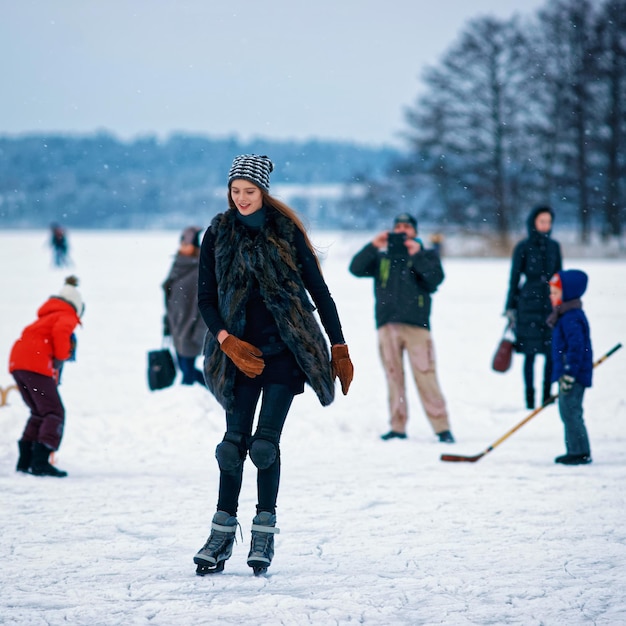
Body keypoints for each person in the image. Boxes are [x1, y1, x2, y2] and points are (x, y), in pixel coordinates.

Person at [193, 154, 353, 575]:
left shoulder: (285, 232)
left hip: (285, 351)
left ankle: (264, 531)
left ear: (263, 192)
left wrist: (339, 347)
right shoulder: (218, 234)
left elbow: (320, 292)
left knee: (263, 447)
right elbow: (205, 300)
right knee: (231, 449)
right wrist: (227, 342)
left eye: (249, 191)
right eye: (235, 191)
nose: (241, 198)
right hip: (238, 355)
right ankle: (221, 532)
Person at [349, 213, 454, 444]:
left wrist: (416, 255)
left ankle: (442, 427)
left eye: (407, 226)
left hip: (417, 326)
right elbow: (355, 269)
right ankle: (397, 427)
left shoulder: (426, 255)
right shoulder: (383, 257)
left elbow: (435, 279)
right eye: (398, 226)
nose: (403, 230)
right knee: (393, 378)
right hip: (387, 325)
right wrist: (373, 245)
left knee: (426, 376)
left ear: (415, 232)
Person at [9, 275, 84, 477]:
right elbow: (61, 334)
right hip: (35, 366)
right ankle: (41, 461)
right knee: (54, 412)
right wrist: (63, 355)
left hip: (18, 365)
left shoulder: (45, 317)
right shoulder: (66, 315)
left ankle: (25, 461)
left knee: (39, 412)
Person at [504, 206, 562, 409]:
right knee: (528, 353)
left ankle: (547, 396)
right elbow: (514, 279)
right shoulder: (523, 247)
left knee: (550, 353)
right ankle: (529, 399)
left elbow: (559, 277)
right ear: (533, 223)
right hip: (527, 303)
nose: (545, 226)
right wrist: (510, 306)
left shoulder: (554, 246)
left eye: (548, 222)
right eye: (542, 221)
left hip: (549, 305)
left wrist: (561, 304)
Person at [547, 270, 593, 465]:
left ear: (567, 294)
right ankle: (576, 449)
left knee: (571, 411)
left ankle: (579, 452)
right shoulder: (565, 314)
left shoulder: (571, 317)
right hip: (569, 373)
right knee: (568, 411)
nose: (551, 296)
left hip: (572, 375)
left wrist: (569, 373)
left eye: (555, 293)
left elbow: (576, 349)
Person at [162, 226, 207, 386]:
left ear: (195, 247)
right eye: (182, 244)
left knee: (187, 372)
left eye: (186, 245)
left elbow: (205, 304)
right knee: (184, 369)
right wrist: (167, 326)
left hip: (191, 329)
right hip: (177, 328)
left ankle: (210, 398)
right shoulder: (178, 265)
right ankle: (215, 394)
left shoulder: (199, 269)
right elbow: (169, 297)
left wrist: (199, 334)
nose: (182, 248)